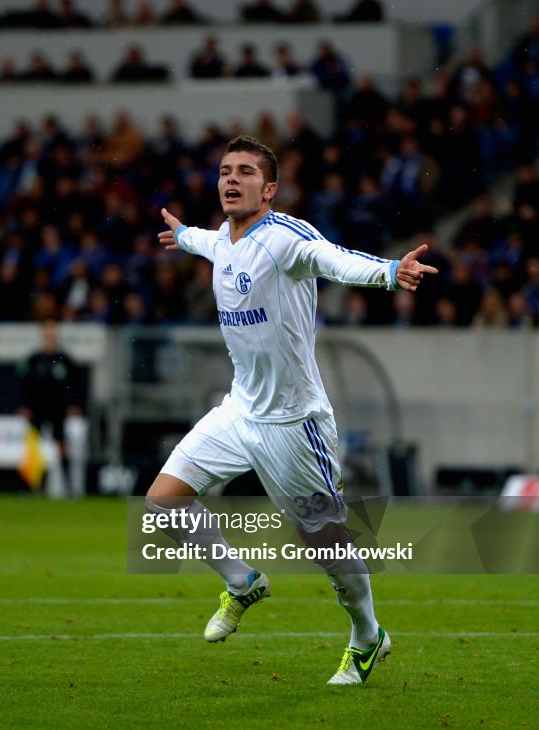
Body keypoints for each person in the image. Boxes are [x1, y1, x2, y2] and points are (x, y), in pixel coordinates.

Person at [151, 136, 436, 685]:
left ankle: (368, 636)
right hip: (238, 411)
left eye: (245, 172)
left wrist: (388, 270)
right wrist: (184, 236)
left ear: (270, 188)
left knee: (327, 544)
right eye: (225, 171)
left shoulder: (285, 237)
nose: (231, 179)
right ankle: (242, 582)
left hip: (293, 423)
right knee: (162, 504)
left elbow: (333, 260)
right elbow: (208, 243)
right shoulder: (224, 240)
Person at [17, 319, 86, 496]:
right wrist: (24, 405)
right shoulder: (34, 359)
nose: (49, 335)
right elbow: (23, 384)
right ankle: (29, 487)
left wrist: (74, 404)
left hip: (58, 409)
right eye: (47, 332)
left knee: (61, 446)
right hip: (37, 409)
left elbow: (75, 384)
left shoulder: (64, 359)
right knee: (32, 449)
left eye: (52, 332)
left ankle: (69, 487)